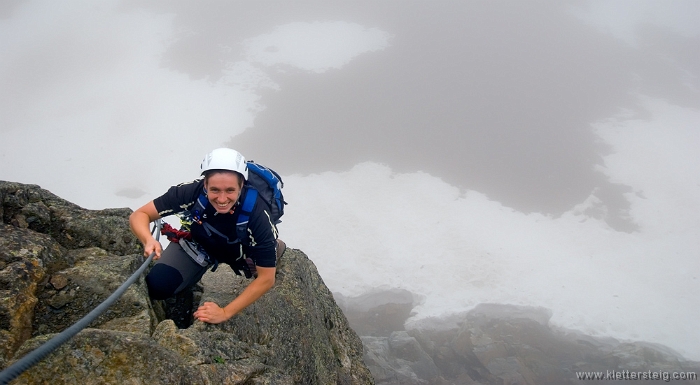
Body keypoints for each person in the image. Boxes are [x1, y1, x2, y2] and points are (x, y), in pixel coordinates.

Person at [129, 148, 285, 324]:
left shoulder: (258, 214)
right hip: (200, 245)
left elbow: (267, 279)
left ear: (242, 185)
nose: (222, 198)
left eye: (230, 190)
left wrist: (224, 312)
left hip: (242, 253)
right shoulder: (191, 192)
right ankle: (193, 273)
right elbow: (140, 215)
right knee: (158, 286)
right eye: (215, 190)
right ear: (205, 185)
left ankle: (275, 247)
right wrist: (148, 240)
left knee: (263, 263)